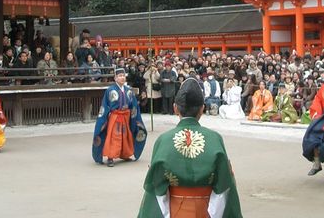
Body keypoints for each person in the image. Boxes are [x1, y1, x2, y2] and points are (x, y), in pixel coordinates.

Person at [138, 77, 242, 217]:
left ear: (175, 108)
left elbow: (157, 185)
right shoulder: (215, 138)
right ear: (202, 109)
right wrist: (213, 213)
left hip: (175, 210)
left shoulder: (163, 140)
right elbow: (224, 182)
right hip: (206, 209)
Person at [92, 68, 147, 167]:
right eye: (119, 76)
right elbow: (105, 106)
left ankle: (125, 154)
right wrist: (103, 119)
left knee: (125, 136)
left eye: (123, 76)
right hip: (115, 116)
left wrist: (134, 117)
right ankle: (110, 157)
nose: (122, 78)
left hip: (126, 116)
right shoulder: (110, 90)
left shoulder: (128, 91)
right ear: (115, 78)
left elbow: (134, 105)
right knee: (114, 136)